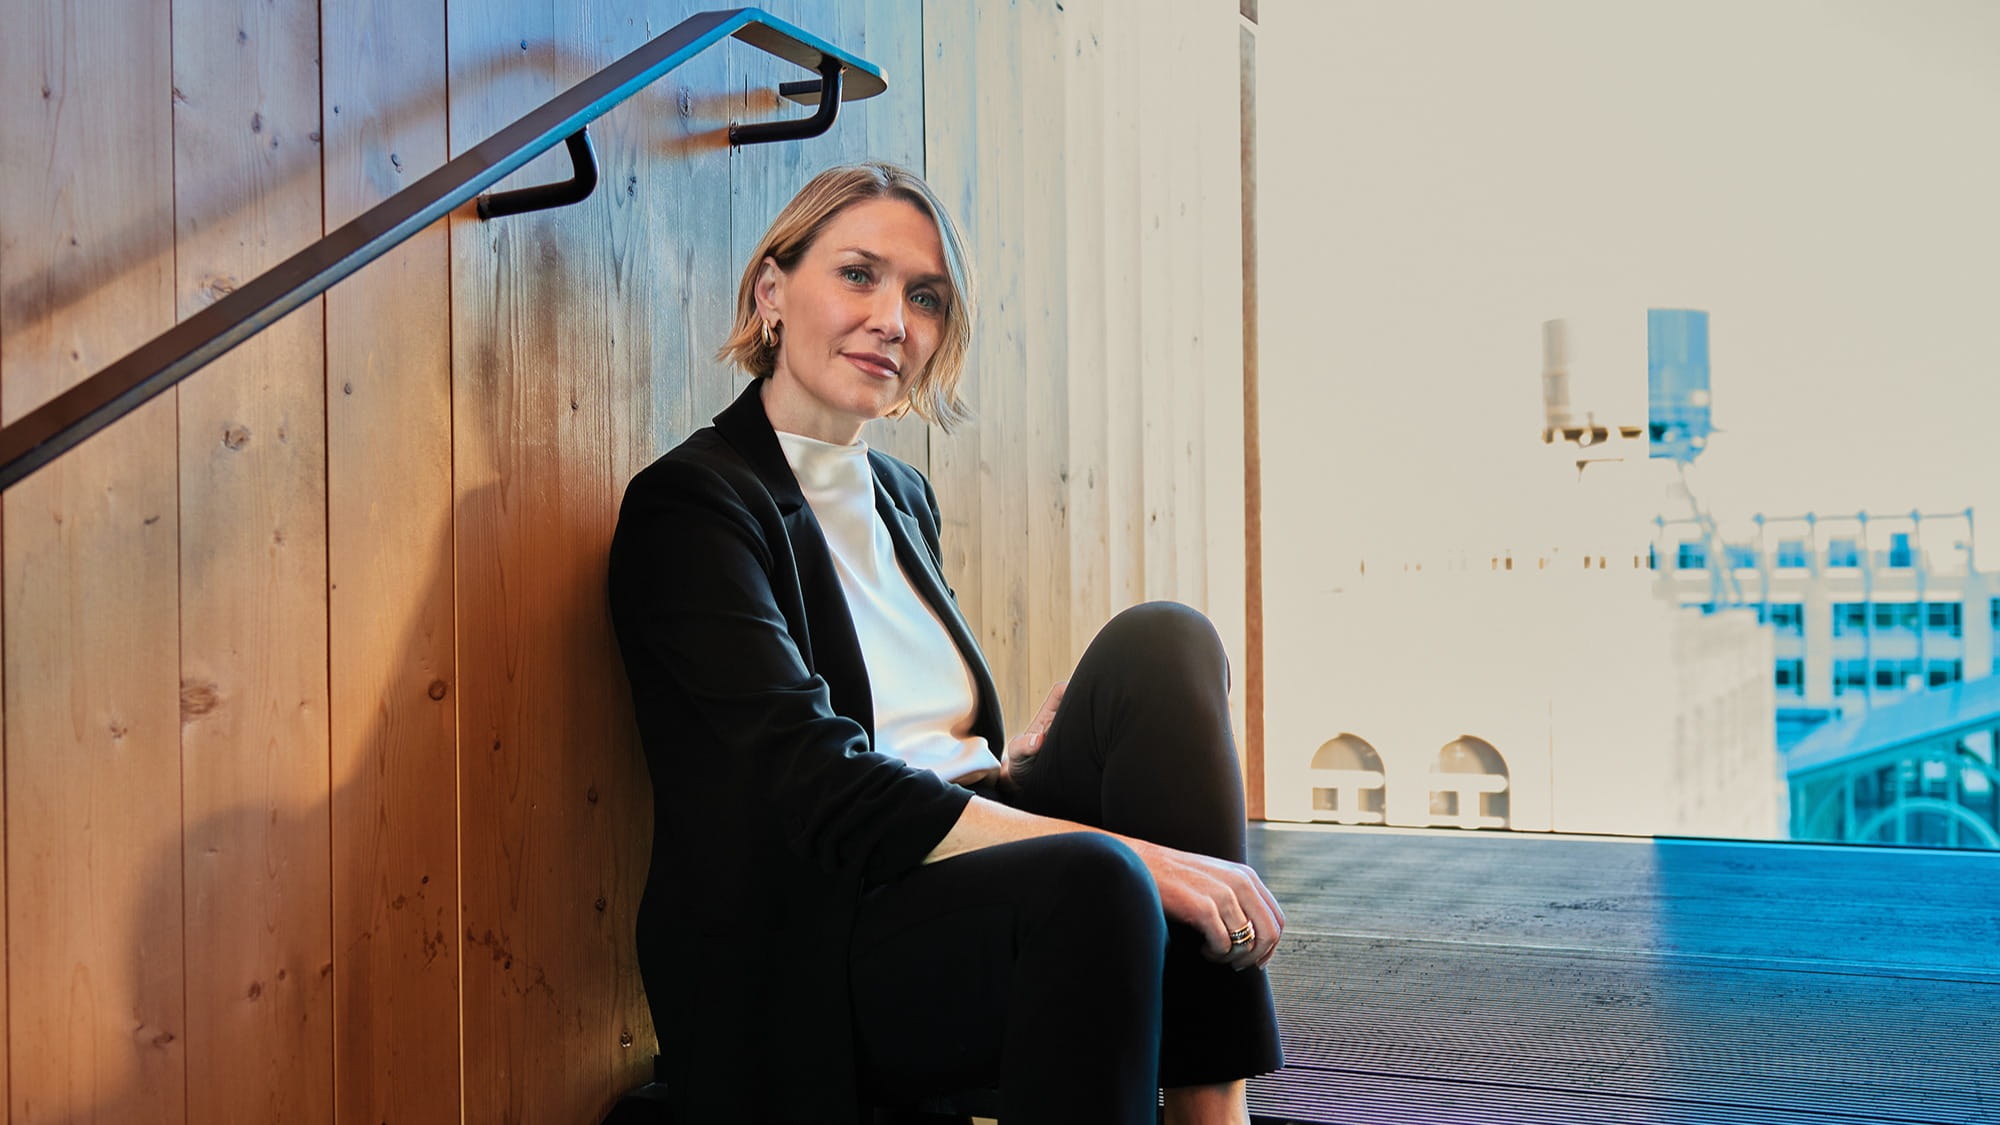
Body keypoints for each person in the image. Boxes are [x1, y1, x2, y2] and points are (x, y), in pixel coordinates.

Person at [607, 162, 1283, 1125]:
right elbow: (819, 784)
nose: (894, 318)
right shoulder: (693, 503)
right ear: (771, 292)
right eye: (858, 275)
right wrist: (1127, 848)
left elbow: (901, 729)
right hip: (819, 939)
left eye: (923, 296)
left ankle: (1211, 1112)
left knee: (1164, 647)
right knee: (1103, 875)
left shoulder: (899, 496)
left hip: (945, 860)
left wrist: (1003, 767)